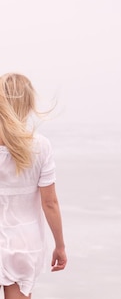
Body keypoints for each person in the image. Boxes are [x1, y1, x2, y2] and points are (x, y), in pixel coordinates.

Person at [0, 73, 67, 298]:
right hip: (24, 242)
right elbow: (50, 203)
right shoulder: (40, 146)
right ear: (29, 103)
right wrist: (60, 245)